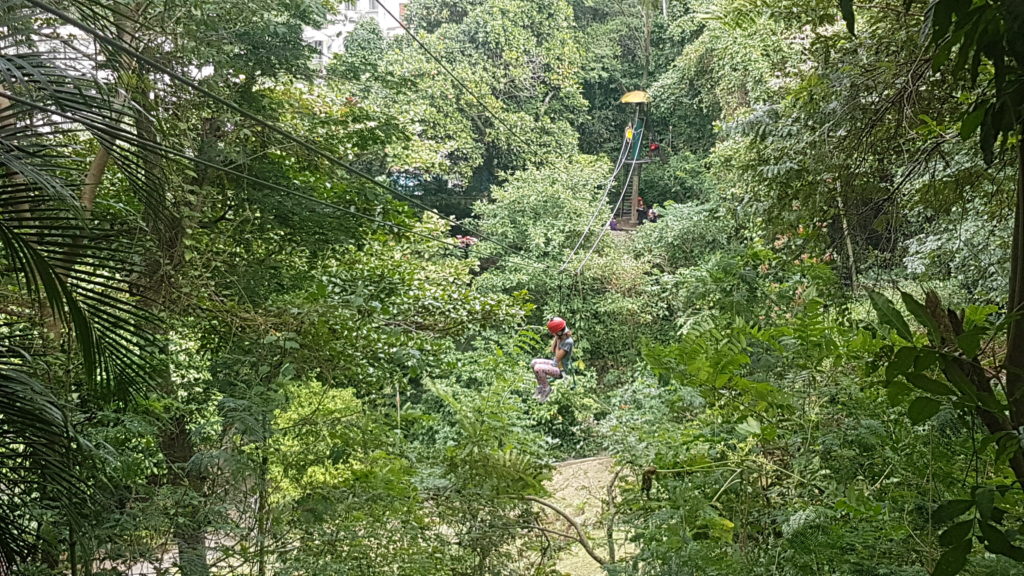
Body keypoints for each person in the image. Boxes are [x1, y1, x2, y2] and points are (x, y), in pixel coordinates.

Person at [529, 317, 574, 402]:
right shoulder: (560, 337)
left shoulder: (568, 342)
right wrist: (557, 338)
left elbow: (557, 357)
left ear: (559, 332)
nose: (553, 335)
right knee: (533, 363)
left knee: (538, 368)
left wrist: (558, 341)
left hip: (561, 370)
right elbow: (552, 350)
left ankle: (547, 389)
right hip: (555, 364)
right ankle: (542, 386)